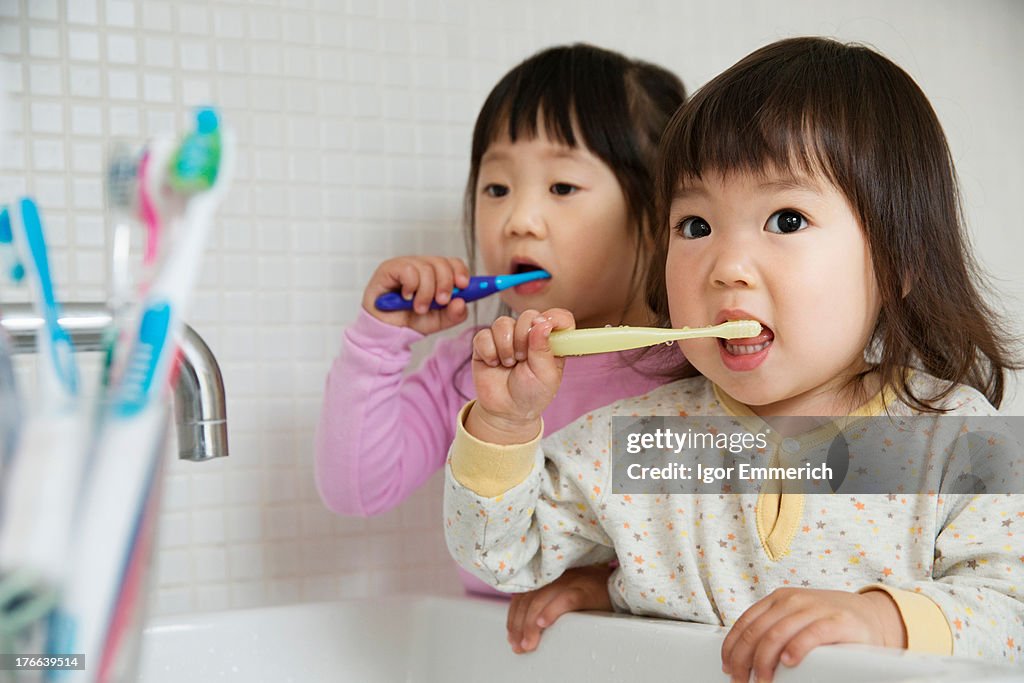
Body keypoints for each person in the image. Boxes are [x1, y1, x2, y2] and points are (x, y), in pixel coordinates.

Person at [443, 36, 1023, 680]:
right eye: (695, 226)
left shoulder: (958, 438)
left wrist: (884, 619)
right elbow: (499, 555)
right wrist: (503, 426)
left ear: (898, 260)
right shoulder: (641, 442)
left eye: (785, 220)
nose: (727, 268)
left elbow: (1013, 617)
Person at [315, 44, 687, 598]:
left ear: (660, 214)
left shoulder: (689, 367)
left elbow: (730, 540)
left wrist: (601, 588)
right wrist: (379, 340)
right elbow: (355, 491)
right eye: (496, 189)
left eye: (562, 187)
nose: (518, 221)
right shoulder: (471, 369)